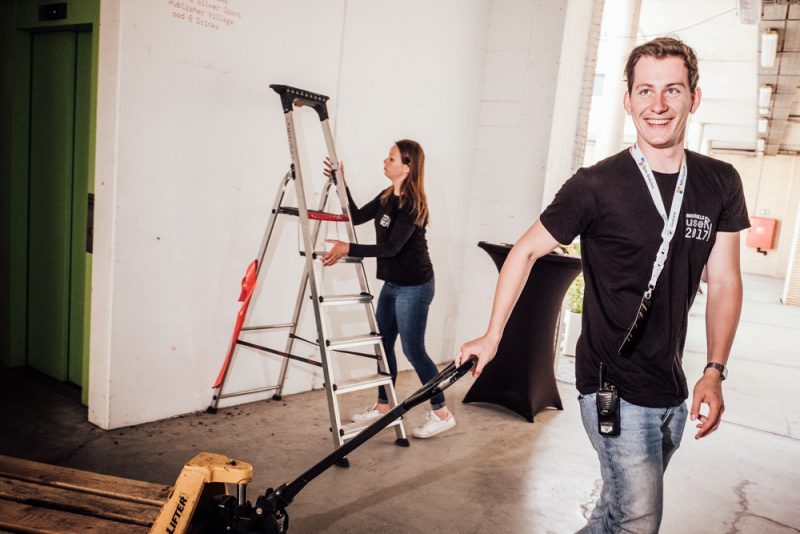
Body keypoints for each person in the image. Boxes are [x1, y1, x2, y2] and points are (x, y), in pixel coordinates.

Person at [457, 37, 749, 532]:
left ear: (694, 98)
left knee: (613, 515)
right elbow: (524, 251)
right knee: (638, 522)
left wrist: (714, 370)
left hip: (670, 386)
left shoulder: (720, 182)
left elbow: (724, 281)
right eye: (645, 91)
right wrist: (492, 335)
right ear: (628, 100)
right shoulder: (595, 185)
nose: (658, 105)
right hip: (610, 385)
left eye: (673, 90)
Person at [322, 139, 456, 439]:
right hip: (393, 284)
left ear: (407, 167)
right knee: (383, 346)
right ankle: (384, 406)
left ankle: (442, 413)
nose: (385, 160)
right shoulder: (387, 196)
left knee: (413, 350)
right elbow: (356, 216)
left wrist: (347, 248)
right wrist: (341, 182)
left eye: (392, 158)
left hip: (415, 286)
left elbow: (392, 248)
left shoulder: (412, 204)